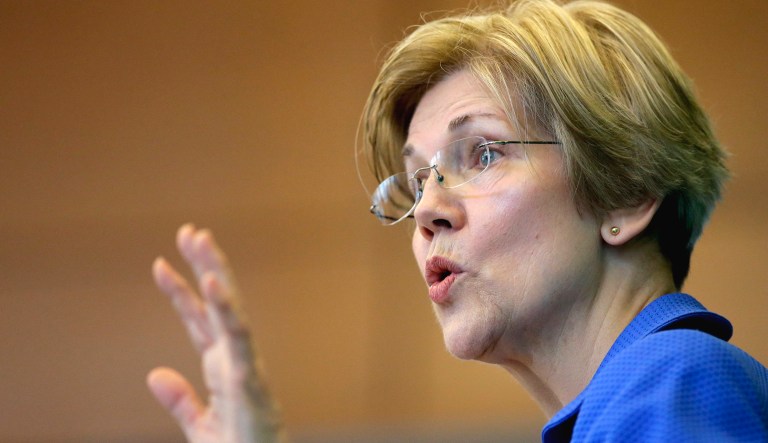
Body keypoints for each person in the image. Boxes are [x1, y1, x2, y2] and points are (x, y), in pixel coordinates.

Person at [147, 0, 768, 442]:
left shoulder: (674, 383)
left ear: (626, 194)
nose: (426, 212)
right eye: (418, 181)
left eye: (484, 153)